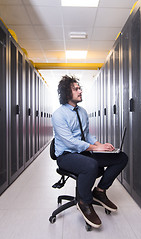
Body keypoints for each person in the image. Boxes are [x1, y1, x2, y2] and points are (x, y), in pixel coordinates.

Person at [51, 75, 128, 229]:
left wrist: (102, 146)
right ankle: (84, 201)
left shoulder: (83, 112)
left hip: (83, 152)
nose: (80, 91)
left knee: (120, 158)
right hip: (66, 155)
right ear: (67, 94)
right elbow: (70, 142)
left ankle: (99, 191)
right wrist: (95, 148)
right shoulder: (58, 114)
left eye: (80, 88)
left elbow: (86, 135)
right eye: (76, 89)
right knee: (91, 165)